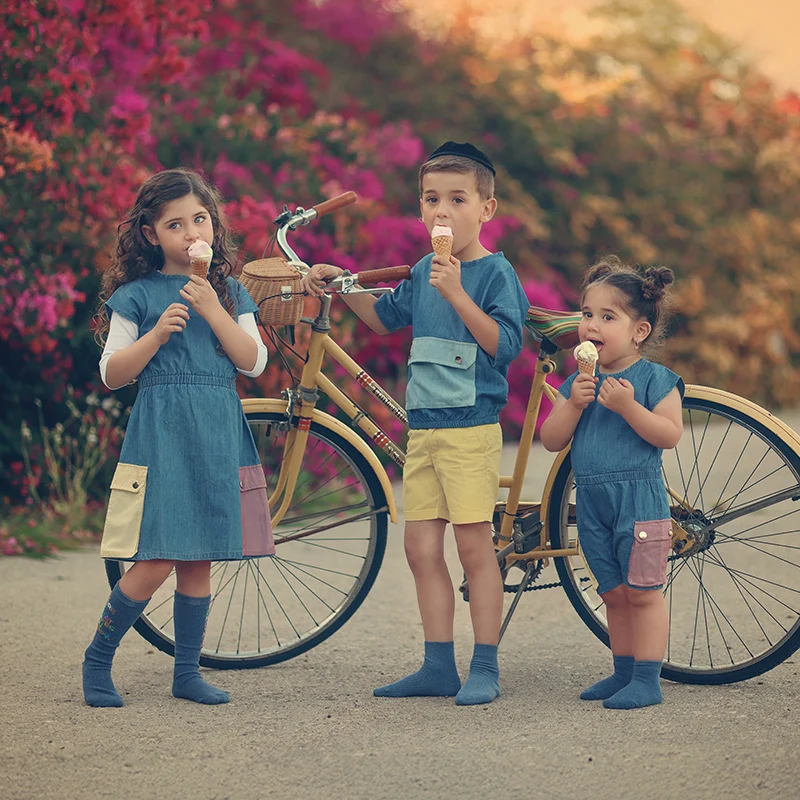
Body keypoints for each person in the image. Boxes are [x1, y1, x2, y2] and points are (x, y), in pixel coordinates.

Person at [303, 141, 530, 705]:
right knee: (421, 550)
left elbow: (505, 345)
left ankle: (485, 665)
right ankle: (437, 665)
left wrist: (457, 292)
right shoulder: (426, 268)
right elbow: (383, 317)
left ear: (486, 209)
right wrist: (343, 283)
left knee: (474, 549)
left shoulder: (495, 275)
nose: (441, 211)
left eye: (457, 199)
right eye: (431, 199)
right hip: (424, 432)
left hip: (470, 430)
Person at [83, 168, 274, 708]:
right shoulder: (136, 295)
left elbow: (253, 361)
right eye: (175, 224)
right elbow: (112, 372)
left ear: (214, 223)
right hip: (163, 434)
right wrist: (153, 336)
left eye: (200, 219)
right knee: (157, 557)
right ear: (151, 234)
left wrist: (212, 308)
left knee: (199, 557)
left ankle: (186, 673)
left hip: (215, 429)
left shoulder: (230, 292)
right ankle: (97, 660)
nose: (192, 233)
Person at [539, 257, 683, 709]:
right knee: (613, 594)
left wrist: (628, 407)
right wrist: (572, 406)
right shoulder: (578, 383)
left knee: (643, 593)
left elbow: (669, 434)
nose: (591, 326)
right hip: (593, 502)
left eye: (607, 317)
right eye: (587, 314)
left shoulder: (654, 379)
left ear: (639, 331)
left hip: (639, 503)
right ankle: (623, 672)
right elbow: (551, 440)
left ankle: (647, 679)